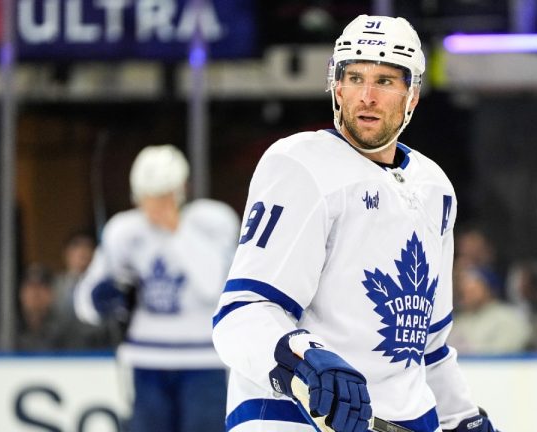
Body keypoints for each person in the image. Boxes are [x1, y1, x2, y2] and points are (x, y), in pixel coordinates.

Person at [211, 15, 499, 432]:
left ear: (412, 95)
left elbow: (429, 346)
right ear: (337, 85)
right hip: (295, 418)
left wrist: (462, 418)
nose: (367, 96)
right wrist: (305, 359)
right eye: (355, 77)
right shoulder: (299, 166)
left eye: (385, 81)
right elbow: (242, 313)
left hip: (407, 419)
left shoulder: (434, 187)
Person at [75, 144, 239, 432]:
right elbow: (85, 301)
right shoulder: (124, 230)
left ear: (181, 189)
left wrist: (177, 229)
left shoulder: (214, 221)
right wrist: (99, 298)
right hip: (146, 361)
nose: (153, 206)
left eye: (162, 196)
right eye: (147, 197)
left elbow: (214, 285)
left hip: (204, 361)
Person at [448, 266, 531, 354]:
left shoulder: (508, 316)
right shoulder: (460, 320)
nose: (467, 293)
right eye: (464, 291)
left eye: (473, 289)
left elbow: (506, 350)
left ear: (489, 289)